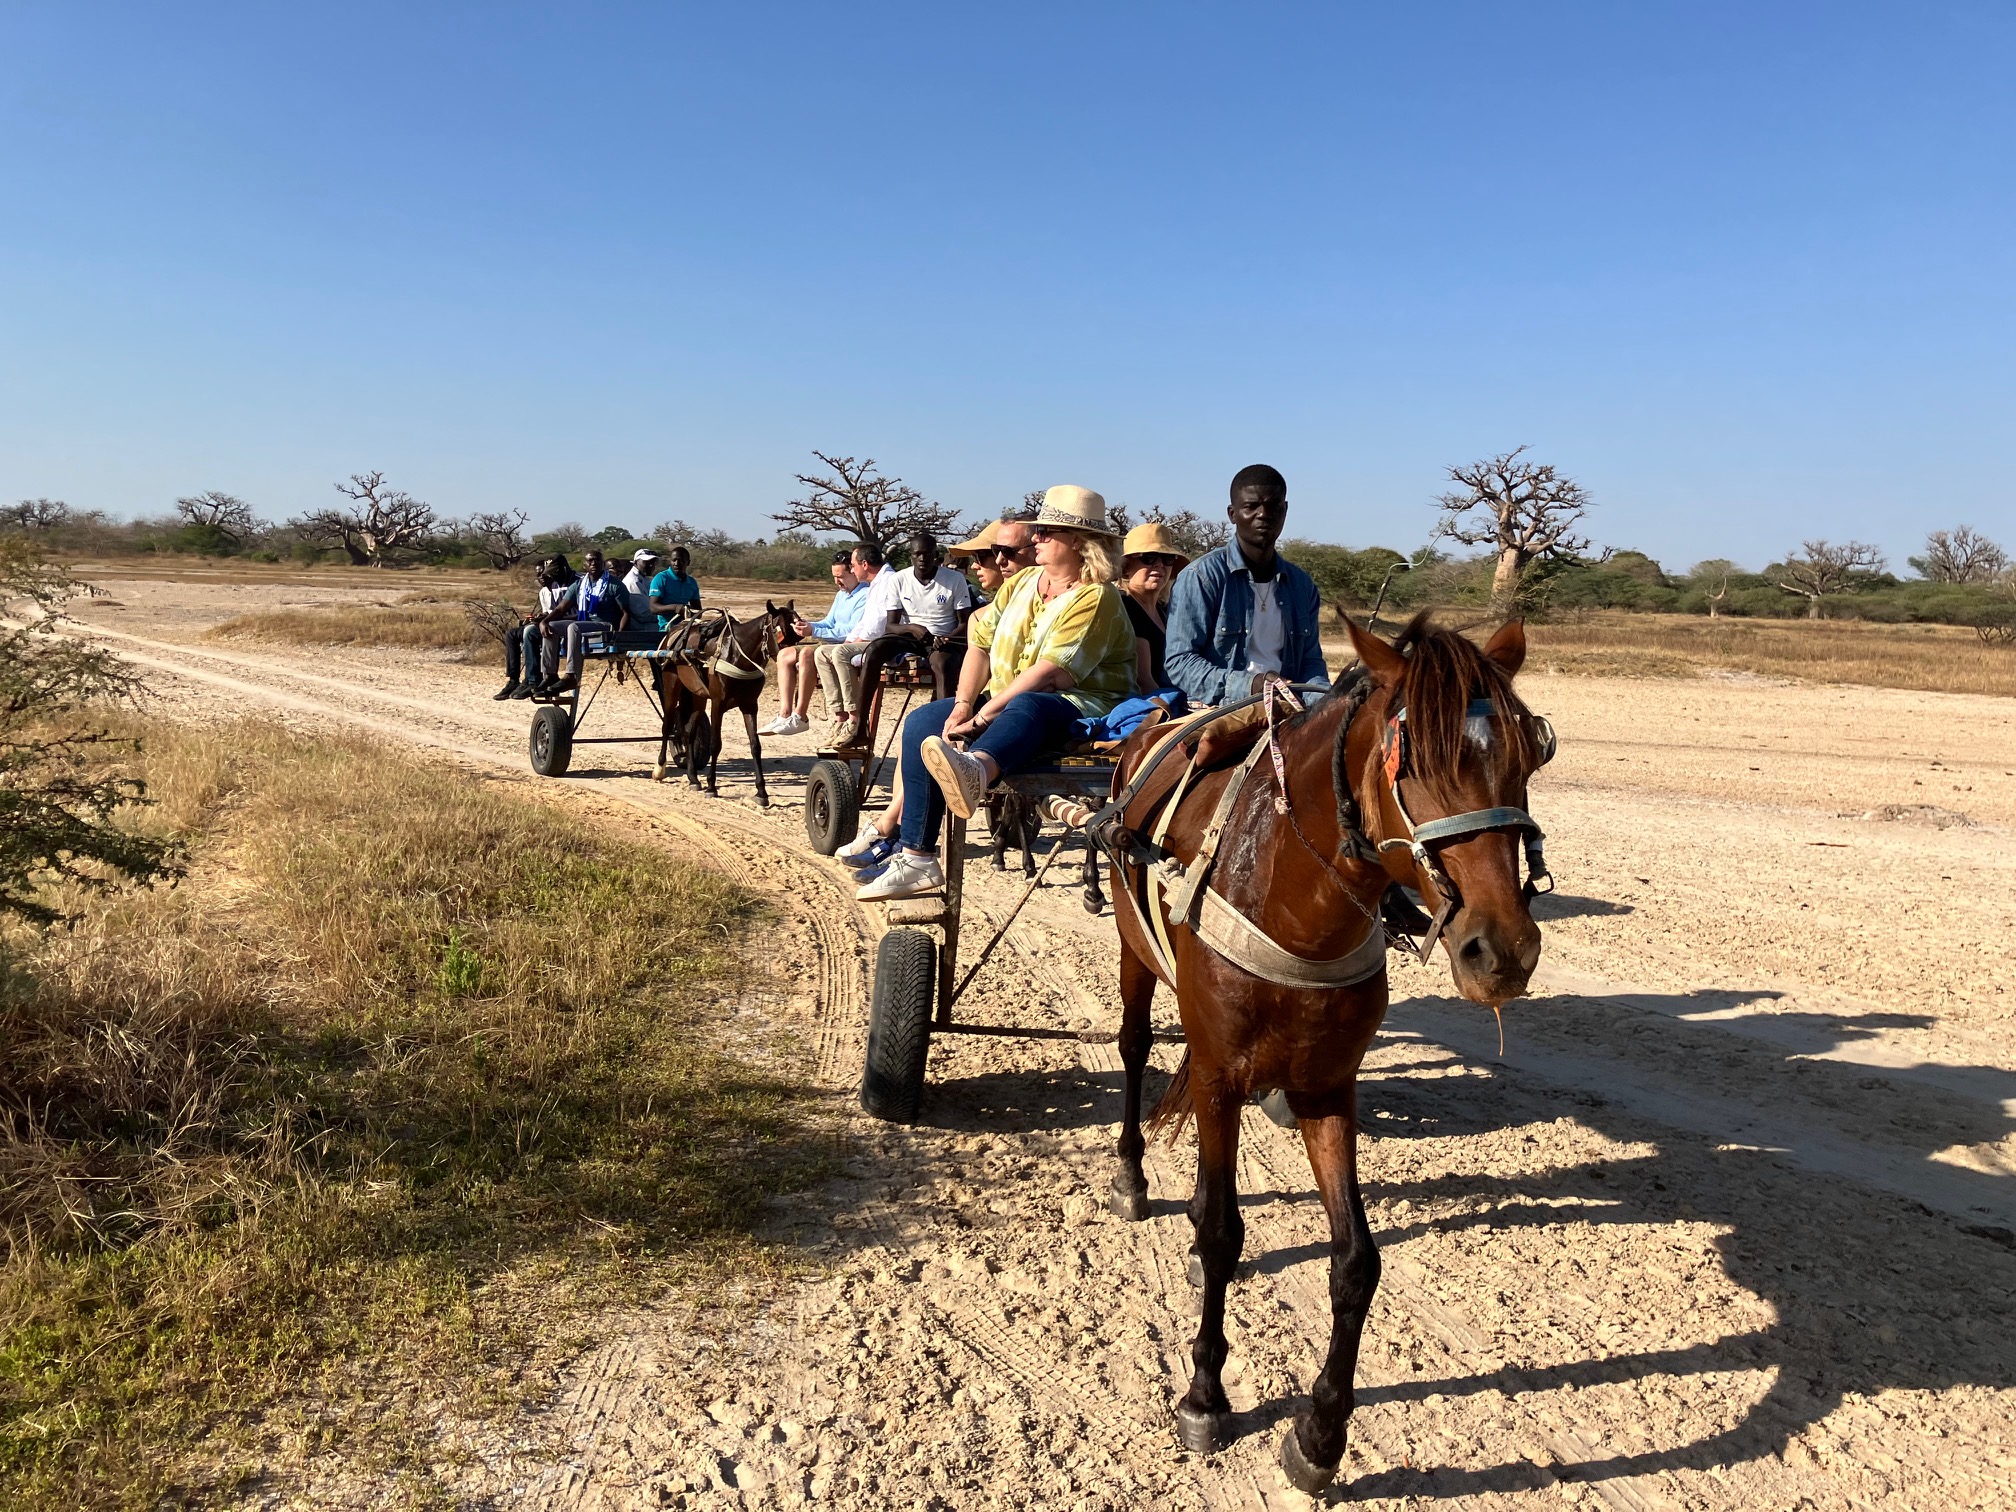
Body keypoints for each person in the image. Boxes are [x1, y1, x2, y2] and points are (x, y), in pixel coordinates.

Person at [857, 485, 1137, 902]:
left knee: (1028, 703)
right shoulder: (1024, 581)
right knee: (923, 721)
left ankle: (976, 771)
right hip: (1008, 701)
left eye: (1045, 530)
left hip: (1077, 705)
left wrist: (982, 719)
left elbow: (1050, 675)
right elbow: (981, 644)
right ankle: (917, 855)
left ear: (1078, 541)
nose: (1036, 538)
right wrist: (964, 705)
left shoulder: (1096, 597)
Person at [832, 515, 1039, 869]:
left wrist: (974, 710)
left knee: (934, 720)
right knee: (918, 725)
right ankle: (899, 831)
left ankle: (899, 835)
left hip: (1012, 703)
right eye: (989, 555)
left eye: (992, 555)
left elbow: (1040, 672)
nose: (979, 566)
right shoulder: (995, 606)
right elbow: (978, 652)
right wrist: (962, 705)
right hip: (980, 693)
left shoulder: (1010, 599)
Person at [1164, 463, 1330, 706]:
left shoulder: (1301, 585)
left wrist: (1325, 700)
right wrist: (1250, 685)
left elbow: (1311, 661)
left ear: (1285, 510)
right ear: (1232, 514)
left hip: (1289, 706)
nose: (1263, 514)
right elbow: (1179, 662)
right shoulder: (1202, 577)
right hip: (1218, 708)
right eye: (1252, 506)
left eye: (1273, 506)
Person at [833, 531, 973, 747]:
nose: (923, 559)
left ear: (936, 555)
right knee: (874, 649)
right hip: (910, 637)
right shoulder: (899, 580)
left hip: (942, 639)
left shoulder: (954, 580)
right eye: (918, 554)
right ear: (911, 556)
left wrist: (946, 637)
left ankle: (945, 736)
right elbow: (891, 625)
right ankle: (860, 728)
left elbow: (965, 622)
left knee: (942, 664)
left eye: (928, 554)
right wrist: (912, 628)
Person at [763, 551, 863, 736]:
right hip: (830, 643)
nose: (837, 582)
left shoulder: (864, 595)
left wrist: (814, 631)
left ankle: (800, 715)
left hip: (846, 645)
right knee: (784, 655)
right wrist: (808, 625)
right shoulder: (842, 595)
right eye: (834, 577)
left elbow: (851, 631)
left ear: (853, 572)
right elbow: (829, 622)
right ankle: (784, 714)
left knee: (807, 653)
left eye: (840, 577)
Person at [809, 542, 885, 745]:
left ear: (864, 564)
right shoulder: (873, 586)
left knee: (841, 653)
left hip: (882, 641)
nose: (852, 568)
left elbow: (880, 622)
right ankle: (839, 716)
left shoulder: (884, 583)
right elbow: (864, 622)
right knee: (821, 653)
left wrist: (855, 639)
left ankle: (854, 718)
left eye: (852, 565)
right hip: (867, 638)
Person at [539, 547, 629, 695]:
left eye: (597, 560)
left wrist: (619, 636)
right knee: (552, 627)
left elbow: (625, 613)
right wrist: (544, 621)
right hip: (584, 622)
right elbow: (561, 608)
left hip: (605, 625)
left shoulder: (614, 585)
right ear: (584, 565)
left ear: (603, 563)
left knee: (574, 627)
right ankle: (550, 675)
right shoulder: (580, 585)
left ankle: (571, 675)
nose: (594, 563)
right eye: (590, 560)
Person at [1118, 522, 1188, 694]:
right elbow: (1143, 681)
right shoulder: (1123, 605)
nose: (1159, 565)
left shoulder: (1166, 610)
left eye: (1167, 558)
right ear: (1126, 567)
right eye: (1148, 558)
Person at [496, 554, 577, 699]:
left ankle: (534, 679)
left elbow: (568, 611)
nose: (546, 577)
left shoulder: (576, 582)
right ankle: (516, 680)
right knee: (518, 632)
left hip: (571, 622)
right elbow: (555, 610)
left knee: (533, 631)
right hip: (556, 621)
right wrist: (541, 618)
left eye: (552, 573)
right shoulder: (551, 587)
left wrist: (545, 619)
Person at [648, 546, 703, 628]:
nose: (676, 563)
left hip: (685, 627)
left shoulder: (692, 582)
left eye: (681, 561)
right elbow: (653, 608)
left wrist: (689, 612)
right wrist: (675, 607)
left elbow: (698, 610)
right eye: (674, 560)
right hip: (666, 627)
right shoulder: (661, 578)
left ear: (688, 562)